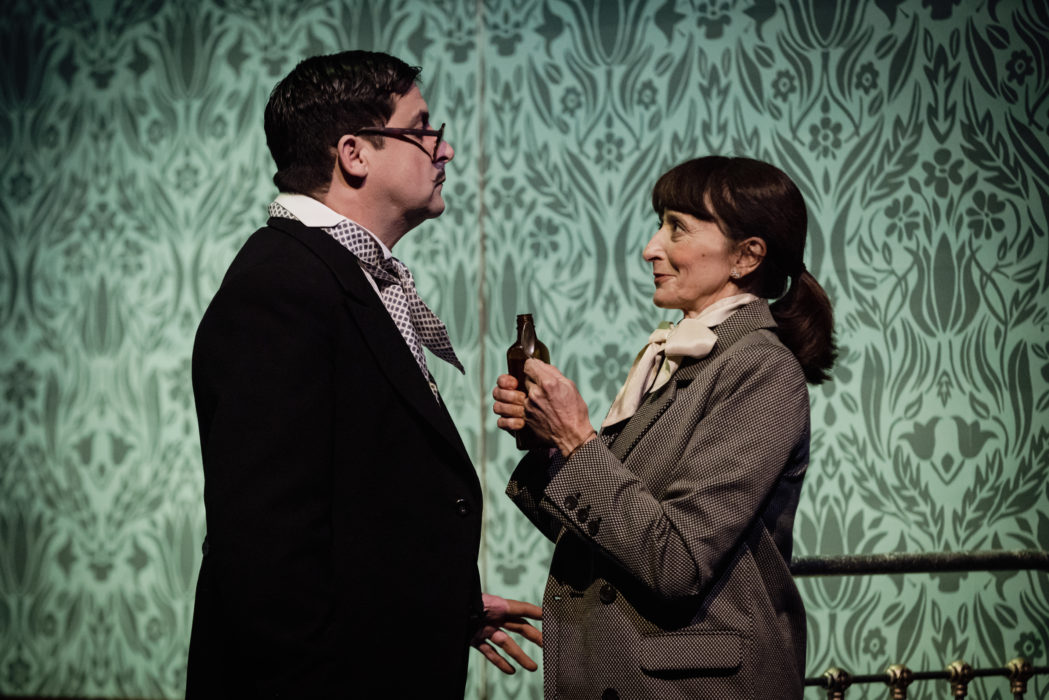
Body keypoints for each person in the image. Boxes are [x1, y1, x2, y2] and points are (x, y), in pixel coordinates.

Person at [186, 50, 540, 698]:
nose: (445, 149)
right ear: (354, 154)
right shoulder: (279, 289)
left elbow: (361, 494)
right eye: (423, 128)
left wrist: (440, 605)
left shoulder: (333, 274)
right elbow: (267, 549)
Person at [492, 156, 835, 698]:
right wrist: (550, 446)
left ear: (746, 256)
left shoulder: (760, 367)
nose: (652, 248)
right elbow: (607, 535)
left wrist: (578, 441)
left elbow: (676, 562)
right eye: (661, 225)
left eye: (677, 228)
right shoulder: (682, 360)